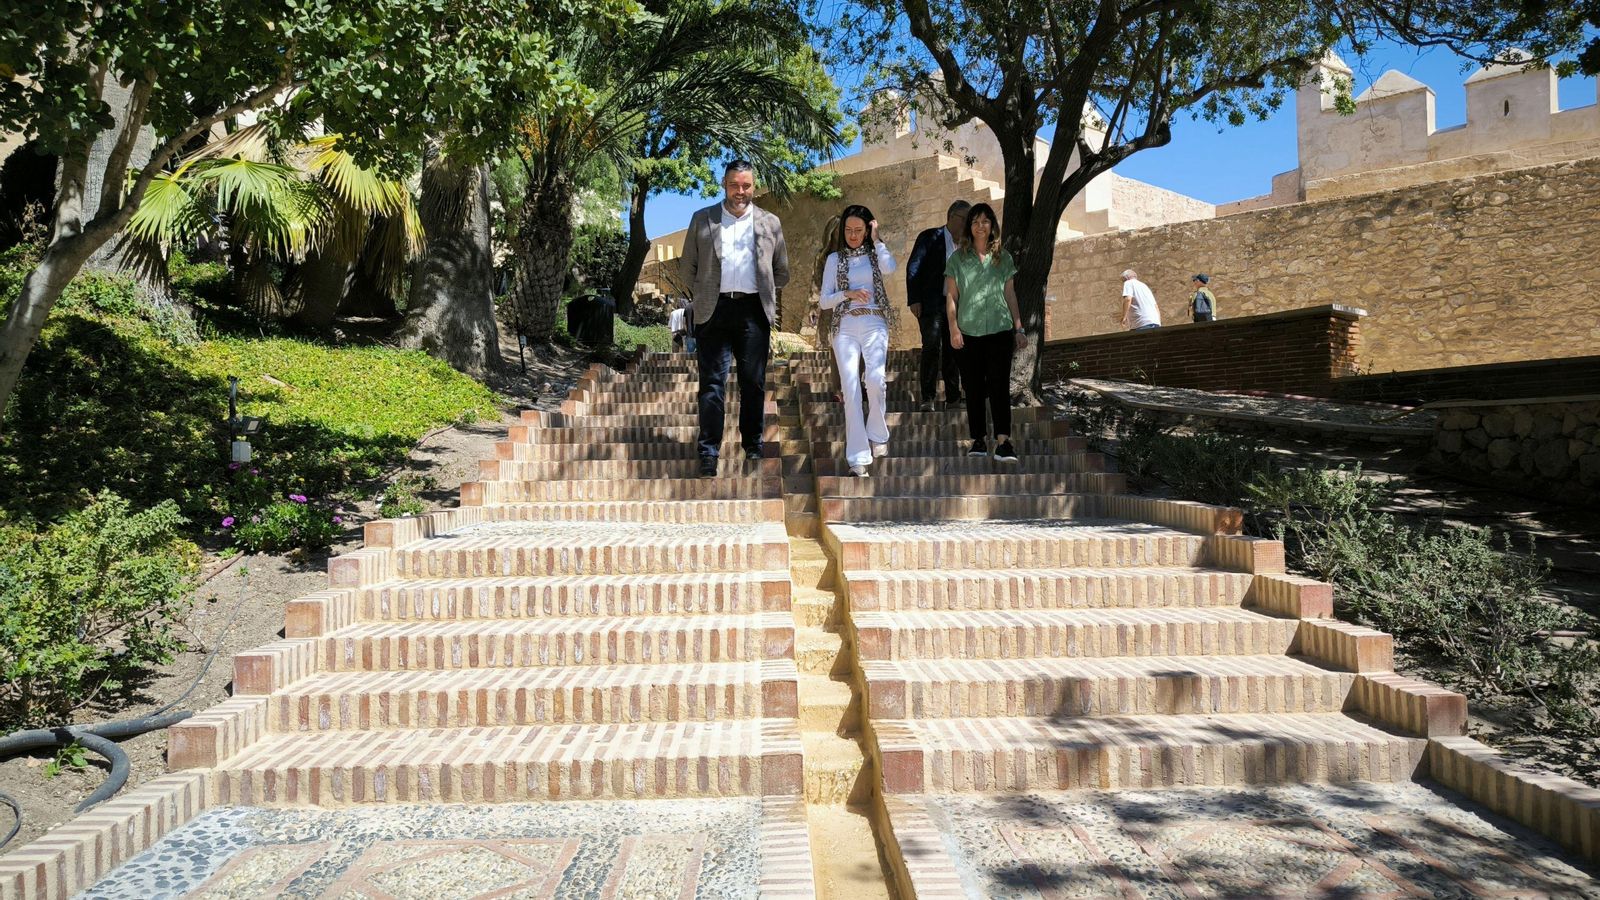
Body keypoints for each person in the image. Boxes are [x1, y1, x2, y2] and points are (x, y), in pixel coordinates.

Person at [680, 160, 790, 478]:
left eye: (746, 186)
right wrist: (704, 292)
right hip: (713, 310)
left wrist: (762, 290)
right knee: (712, 385)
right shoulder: (703, 219)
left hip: (753, 311)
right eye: (734, 185)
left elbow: (782, 271)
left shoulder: (770, 222)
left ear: (753, 187)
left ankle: (753, 447)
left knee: (753, 383)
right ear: (724, 184)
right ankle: (708, 454)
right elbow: (687, 266)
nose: (740, 192)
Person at [945, 202, 1026, 463]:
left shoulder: (1004, 257)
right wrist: (953, 328)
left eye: (985, 221)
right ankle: (978, 440)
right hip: (968, 333)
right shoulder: (957, 259)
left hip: (1000, 331)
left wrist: (1019, 327)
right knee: (974, 387)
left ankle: (1004, 442)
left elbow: (1010, 294)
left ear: (992, 226)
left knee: (999, 385)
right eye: (975, 221)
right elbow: (952, 297)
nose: (980, 226)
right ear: (970, 226)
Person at [819, 204, 895, 477]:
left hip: (875, 321)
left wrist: (877, 240)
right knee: (850, 389)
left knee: (875, 380)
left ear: (868, 229)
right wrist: (847, 294)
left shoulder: (876, 255)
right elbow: (824, 301)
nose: (853, 235)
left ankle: (878, 432)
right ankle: (858, 458)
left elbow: (890, 268)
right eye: (848, 230)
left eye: (859, 230)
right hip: (846, 326)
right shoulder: (833, 259)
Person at [906, 200, 969, 411]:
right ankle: (928, 398)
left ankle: (953, 399)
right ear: (951, 217)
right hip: (931, 304)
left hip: (956, 306)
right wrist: (914, 299)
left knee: (954, 350)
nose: (967, 224)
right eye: (964, 219)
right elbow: (914, 267)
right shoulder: (929, 237)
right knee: (932, 347)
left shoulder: (967, 245)